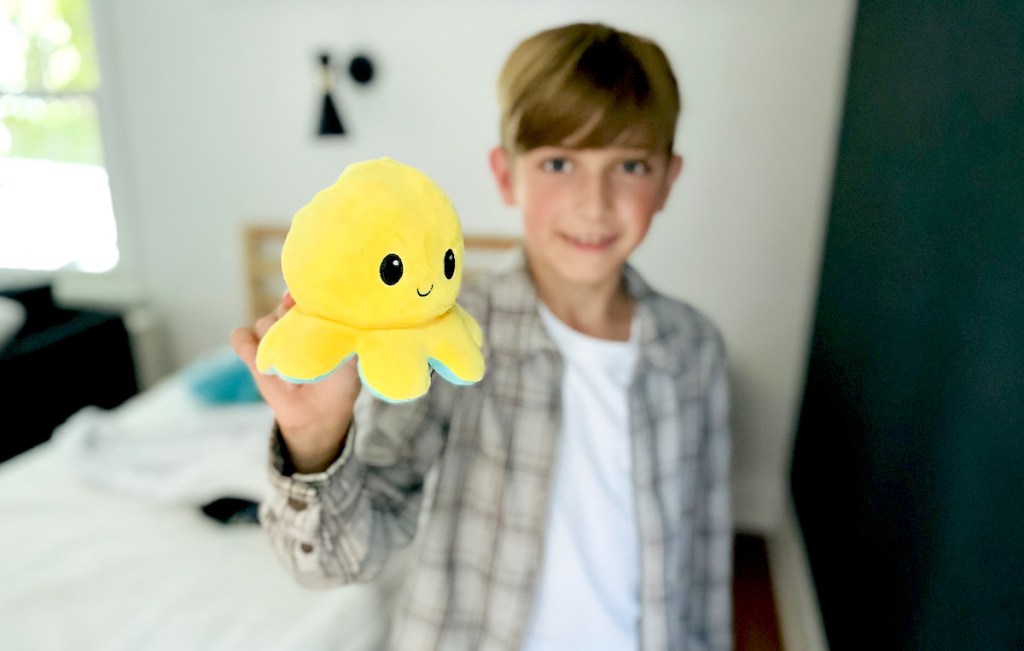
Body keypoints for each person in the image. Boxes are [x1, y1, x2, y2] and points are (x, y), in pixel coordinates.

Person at [231, 22, 731, 651]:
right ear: (506, 175)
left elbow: (706, 551)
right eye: (558, 163)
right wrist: (314, 440)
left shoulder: (695, 350)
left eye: (629, 165)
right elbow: (339, 558)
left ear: (666, 180)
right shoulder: (443, 334)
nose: (594, 202)